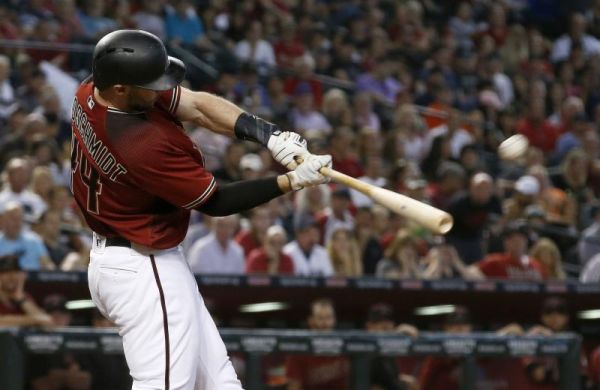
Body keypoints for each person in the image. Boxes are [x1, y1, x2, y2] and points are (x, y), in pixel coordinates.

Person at [75, 30, 331, 390]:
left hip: (137, 258)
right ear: (121, 88)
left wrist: (268, 136)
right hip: (142, 267)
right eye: (150, 84)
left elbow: (196, 106)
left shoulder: (91, 89)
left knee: (221, 383)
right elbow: (217, 201)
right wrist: (291, 182)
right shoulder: (139, 145)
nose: (159, 90)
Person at [285, 298, 350, 390]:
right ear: (310, 321)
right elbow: (294, 386)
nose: (325, 323)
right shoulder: (299, 349)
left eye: (329, 317)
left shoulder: (347, 347)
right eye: (320, 318)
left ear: (334, 320)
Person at [474, 221, 549, 281]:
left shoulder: (536, 265)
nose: (517, 242)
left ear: (526, 241)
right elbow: (471, 271)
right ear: (505, 242)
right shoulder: (495, 261)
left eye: (520, 239)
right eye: (512, 239)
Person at [0, 254, 52, 327]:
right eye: (5, 273)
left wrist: (21, 300)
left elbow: (47, 323)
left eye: (15, 272)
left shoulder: (24, 297)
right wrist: (34, 320)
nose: (11, 277)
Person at [0, 202, 53, 270]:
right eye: (13, 218)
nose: (17, 222)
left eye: (19, 218)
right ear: (3, 220)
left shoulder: (34, 240)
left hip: (33, 279)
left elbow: (47, 265)